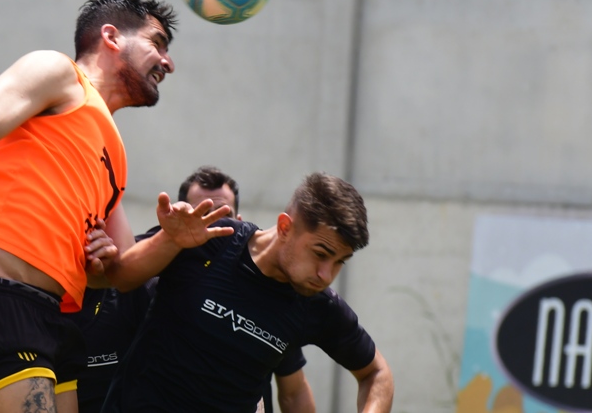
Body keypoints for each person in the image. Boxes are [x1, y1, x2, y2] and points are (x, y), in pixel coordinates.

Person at [0, 0, 233, 413]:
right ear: (112, 37)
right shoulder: (59, 73)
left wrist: (169, 240)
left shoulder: (115, 156)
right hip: (0, 302)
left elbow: (120, 274)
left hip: (57, 323)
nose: (168, 62)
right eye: (157, 43)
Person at [100, 172, 394, 413]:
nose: (326, 275)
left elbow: (377, 374)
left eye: (340, 262)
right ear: (284, 227)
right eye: (321, 253)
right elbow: (121, 279)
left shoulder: (316, 304)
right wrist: (168, 241)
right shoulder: (212, 239)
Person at [71, 166, 314, 413]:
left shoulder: (270, 296)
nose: (206, 225)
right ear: (175, 220)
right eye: (200, 213)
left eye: (222, 214)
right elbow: (116, 271)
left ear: (241, 224)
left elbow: (294, 391)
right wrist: (97, 262)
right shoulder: (146, 283)